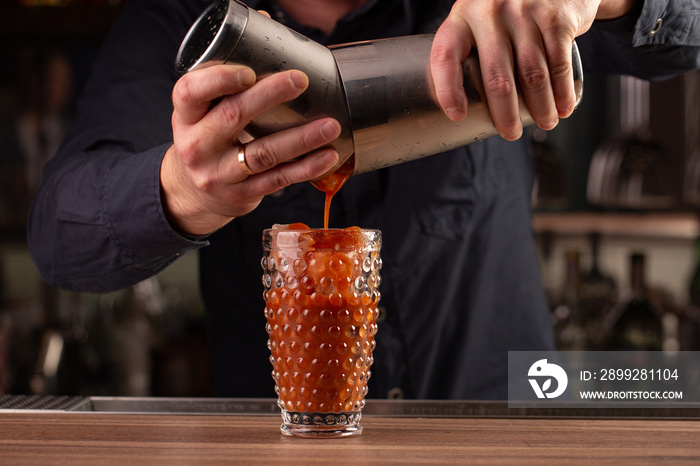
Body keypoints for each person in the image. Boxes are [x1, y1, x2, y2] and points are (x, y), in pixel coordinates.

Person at [27, 0, 700, 399]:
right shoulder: (180, 26)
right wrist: (180, 189)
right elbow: (61, 235)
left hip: (503, 429)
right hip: (284, 450)